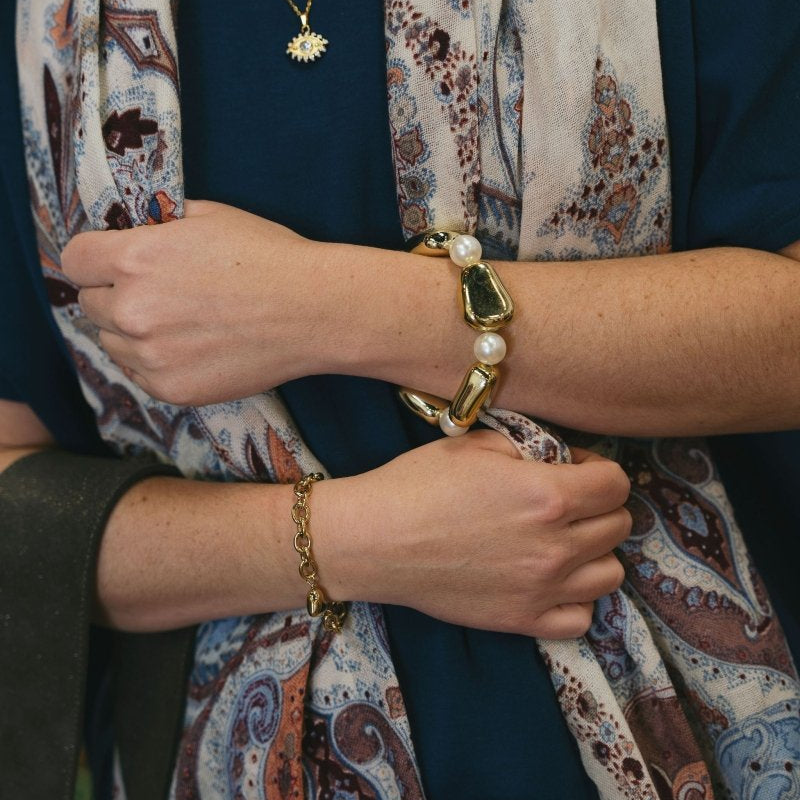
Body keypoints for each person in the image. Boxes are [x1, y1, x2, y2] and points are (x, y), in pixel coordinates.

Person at [1, 1, 798, 799]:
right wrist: (351, 542)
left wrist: (339, 307)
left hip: (715, 727)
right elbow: (23, 505)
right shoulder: (44, 28)